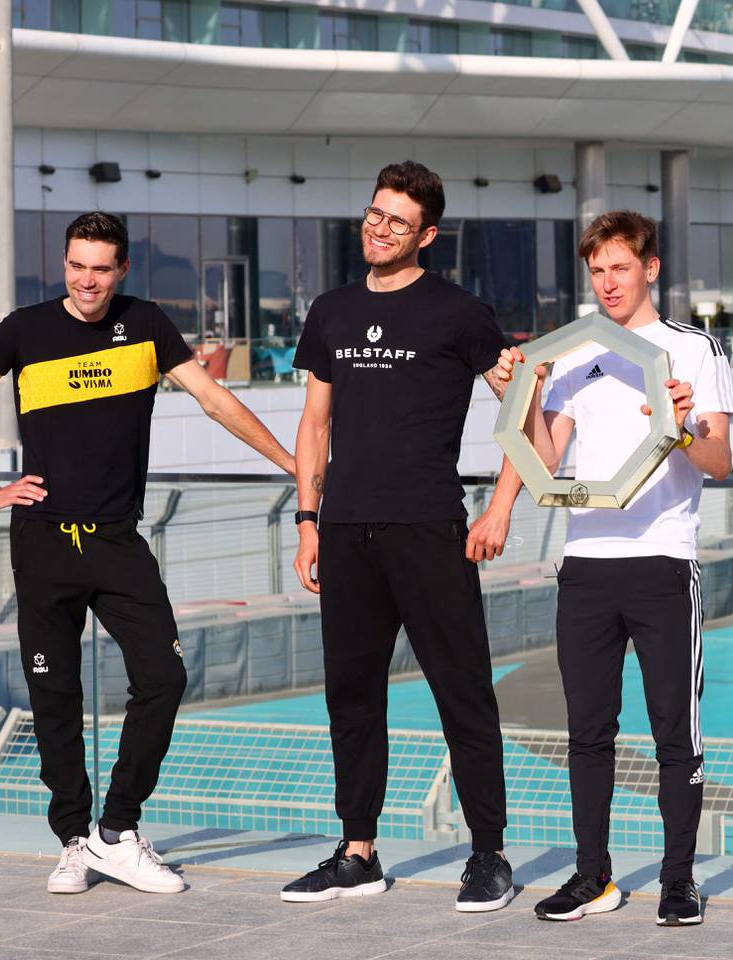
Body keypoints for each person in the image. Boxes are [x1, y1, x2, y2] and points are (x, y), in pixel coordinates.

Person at [0, 212, 295, 896]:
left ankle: (116, 832)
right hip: (42, 542)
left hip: (116, 541)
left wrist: (294, 466)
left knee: (163, 677)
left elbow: (216, 401)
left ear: (122, 269)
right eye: (77, 265)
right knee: (54, 696)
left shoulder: (148, 324)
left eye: (101, 267)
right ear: (63, 265)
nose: (87, 279)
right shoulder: (25, 329)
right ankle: (74, 840)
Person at [488, 211, 733, 926]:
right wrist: (523, 389)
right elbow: (541, 452)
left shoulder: (693, 351)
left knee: (674, 733)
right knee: (587, 732)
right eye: (598, 271)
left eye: (621, 267)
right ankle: (592, 875)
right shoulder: (572, 351)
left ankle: (679, 879)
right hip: (587, 563)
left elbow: (718, 459)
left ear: (650, 269)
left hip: (664, 559)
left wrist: (685, 425)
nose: (608, 282)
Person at [282, 161, 516, 910]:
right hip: (346, 527)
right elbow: (315, 423)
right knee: (351, 696)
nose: (380, 230)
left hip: (429, 526)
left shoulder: (460, 312)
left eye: (398, 223)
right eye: (374, 215)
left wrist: (503, 505)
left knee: (462, 693)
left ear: (428, 236)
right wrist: (307, 519)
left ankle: (488, 855)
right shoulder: (332, 310)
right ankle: (358, 851)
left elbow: (523, 408)